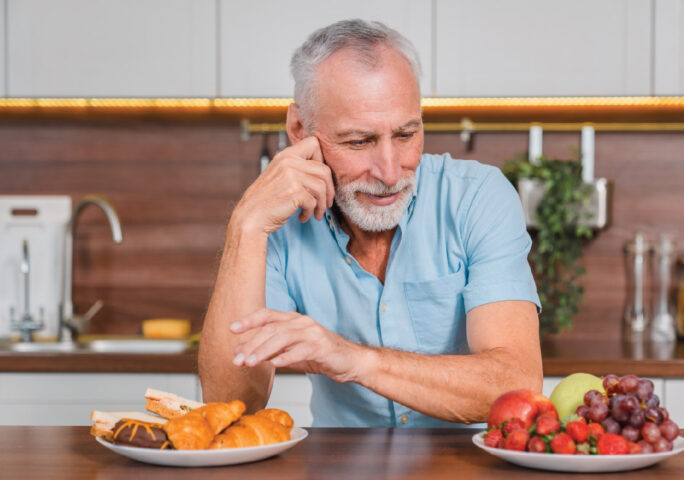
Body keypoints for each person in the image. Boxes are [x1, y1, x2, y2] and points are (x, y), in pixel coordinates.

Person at [199, 19, 542, 427]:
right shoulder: (277, 225)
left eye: (405, 134)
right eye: (359, 141)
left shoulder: (477, 197)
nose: (390, 171)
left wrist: (351, 359)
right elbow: (228, 406)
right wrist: (245, 227)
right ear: (298, 130)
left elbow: (517, 387)